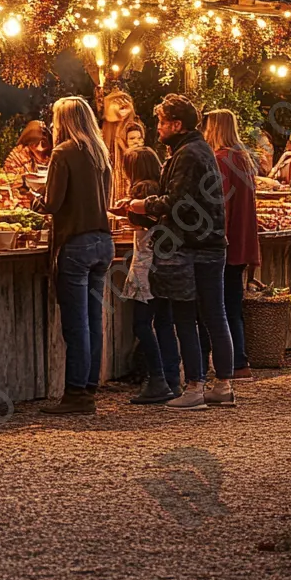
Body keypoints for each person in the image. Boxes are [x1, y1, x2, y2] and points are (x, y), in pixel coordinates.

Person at [126, 94, 236, 411]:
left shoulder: (188, 154)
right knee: (215, 315)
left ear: (176, 124)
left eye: (161, 122)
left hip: (190, 247)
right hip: (211, 243)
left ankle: (194, 388)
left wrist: (142, 204)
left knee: (186, 316)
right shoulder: (195, 150)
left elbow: (175, 202)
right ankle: (223, 385)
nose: (157, 128)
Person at [35, 97, 114, 416]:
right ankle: (90, 384)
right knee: (94, 319)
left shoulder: (63, 152)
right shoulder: (100, 153)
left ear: (62, 121)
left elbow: (53, 204)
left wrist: (36, 200)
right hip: (102, 241)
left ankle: (76, 392)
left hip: (76, 242)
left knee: (76, 322)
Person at [118, 147, 182, 404]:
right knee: (165, 323)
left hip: (145, 264)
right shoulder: (161, 188)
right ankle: (173, 378)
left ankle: (156, 378)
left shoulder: (141, 189)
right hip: (164, 263)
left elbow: (140, 222)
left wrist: (125, 211)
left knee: (142, 325)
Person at [204, 109, 261, 382]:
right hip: (241, 242)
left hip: (225, 245)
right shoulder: (243, 159)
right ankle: (240, 361)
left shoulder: (221, 160)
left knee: (218, 308)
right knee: (232, 305)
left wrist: (215, 240)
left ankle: (233, 363)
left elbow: (220, 206)